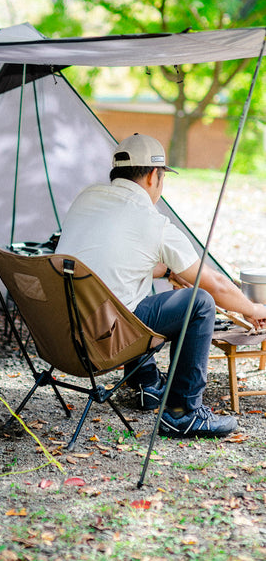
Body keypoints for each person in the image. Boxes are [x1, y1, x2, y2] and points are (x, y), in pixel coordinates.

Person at [56, 133, 266, 438]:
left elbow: (117, 261)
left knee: (134, 287)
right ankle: (183, 413)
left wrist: (167, 270)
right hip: (103, 339)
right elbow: (216, 285)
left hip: (61, 334)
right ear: (155, 175)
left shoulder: (87, 198)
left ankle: (145, 382)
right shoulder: (151, 221)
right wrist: (253, 308)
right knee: (199, 302)